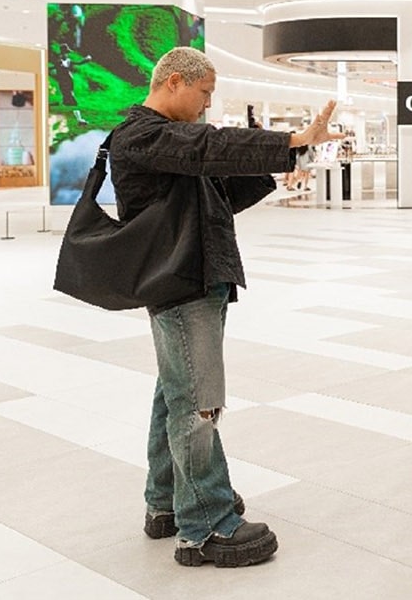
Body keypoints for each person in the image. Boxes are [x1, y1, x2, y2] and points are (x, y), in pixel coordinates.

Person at [109, 47, 342, 568]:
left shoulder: (171, 144)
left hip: (196, 276)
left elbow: (218, 194)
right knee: (197, 403)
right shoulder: (143, 135)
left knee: (176, 393)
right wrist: (290, 139)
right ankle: (205, 525)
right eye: (204, 93)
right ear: (174, 82)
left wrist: (296, 157)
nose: (207, 105)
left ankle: (166, 502)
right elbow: (209, 146)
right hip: (181, 282)